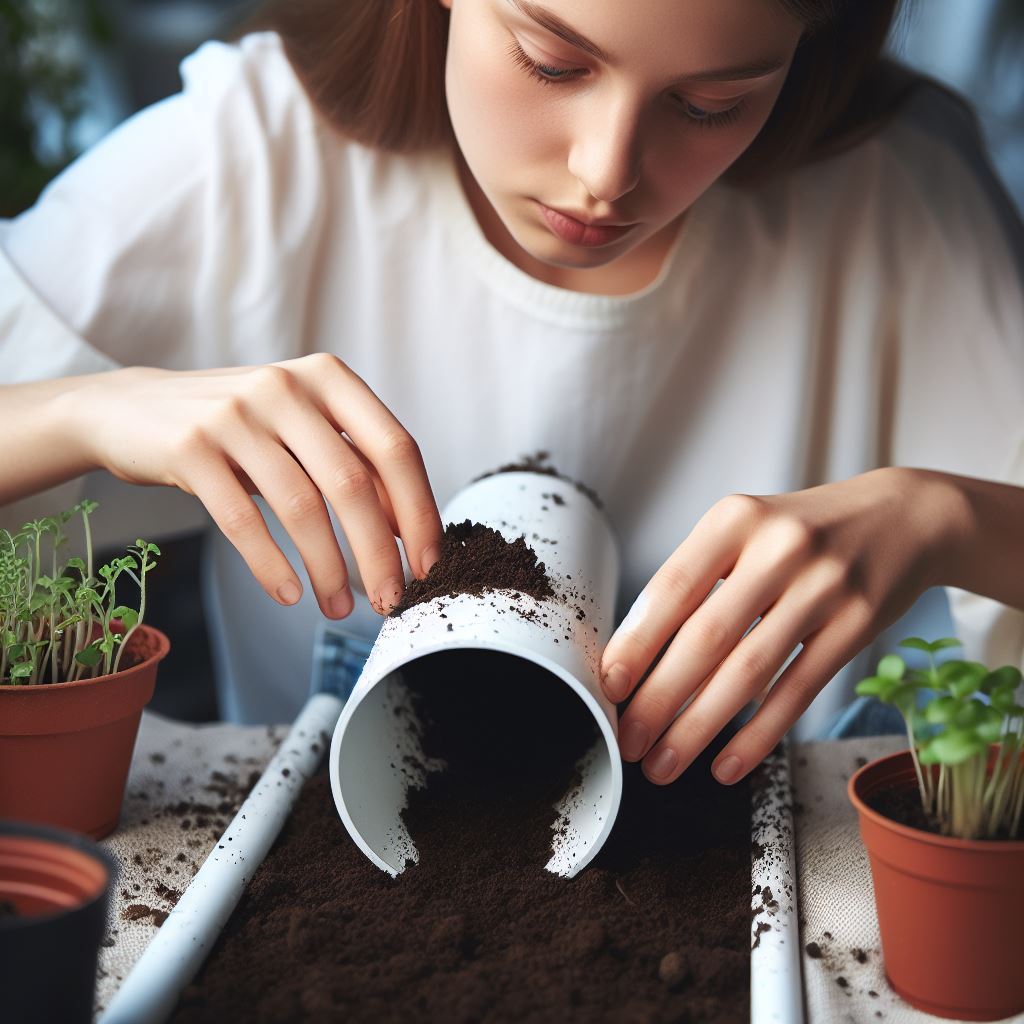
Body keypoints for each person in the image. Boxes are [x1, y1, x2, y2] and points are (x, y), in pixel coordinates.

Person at [1, 0, 1022, 786]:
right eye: (551, 61)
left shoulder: (900, 204)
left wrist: (948, 516)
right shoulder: (250, 166)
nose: (604, 172)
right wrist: (89, 408)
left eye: (712, 103)